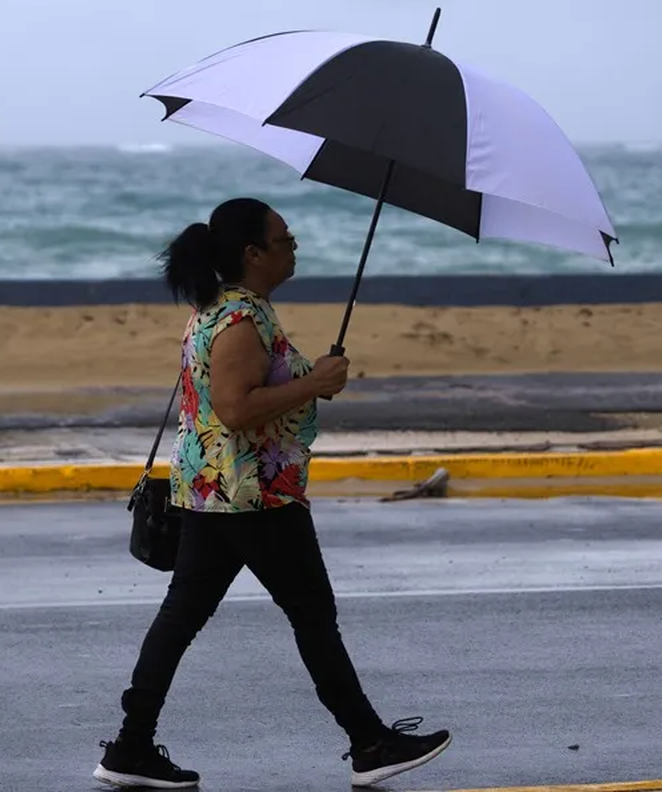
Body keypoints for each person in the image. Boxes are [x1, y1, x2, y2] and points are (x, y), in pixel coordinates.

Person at [93, 197, 450, 789]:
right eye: (285, 240)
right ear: (252, 254)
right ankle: (369, 743)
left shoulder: (224, 308)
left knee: (182, 620)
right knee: (312, 618)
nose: (294, 247)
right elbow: (235, 409)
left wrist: (311, 382)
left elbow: (246, 396)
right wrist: (314, 382)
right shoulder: (240, 318)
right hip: (254, 495)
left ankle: (130, 748)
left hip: (214, 492)